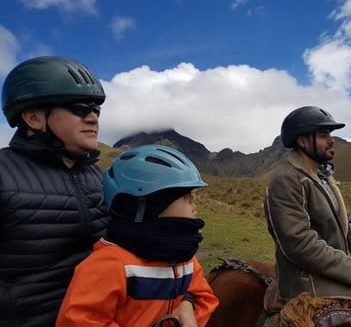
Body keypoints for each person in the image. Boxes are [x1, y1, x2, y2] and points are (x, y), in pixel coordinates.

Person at [56, 144, 219, 327]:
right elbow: (79, 322)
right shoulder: (109, 265)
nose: (193, 202)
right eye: (185, 195)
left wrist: (188, 306)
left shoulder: (185, 259)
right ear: (149, 205)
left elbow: (204, 298)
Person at [0, 56, 110, 326]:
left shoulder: (102, 177)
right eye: (80, 108)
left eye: (96, 109)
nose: (93, 118)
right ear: (34, 117)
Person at [263, 106, 351, 326]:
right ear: (303, 141)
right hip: (310, 288)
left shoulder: (323, 178)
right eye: (324, 135)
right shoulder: (287, 181)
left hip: (337, 272)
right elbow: (298, 243)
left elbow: (348, 223)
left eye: (330, 134)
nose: (332, 140)